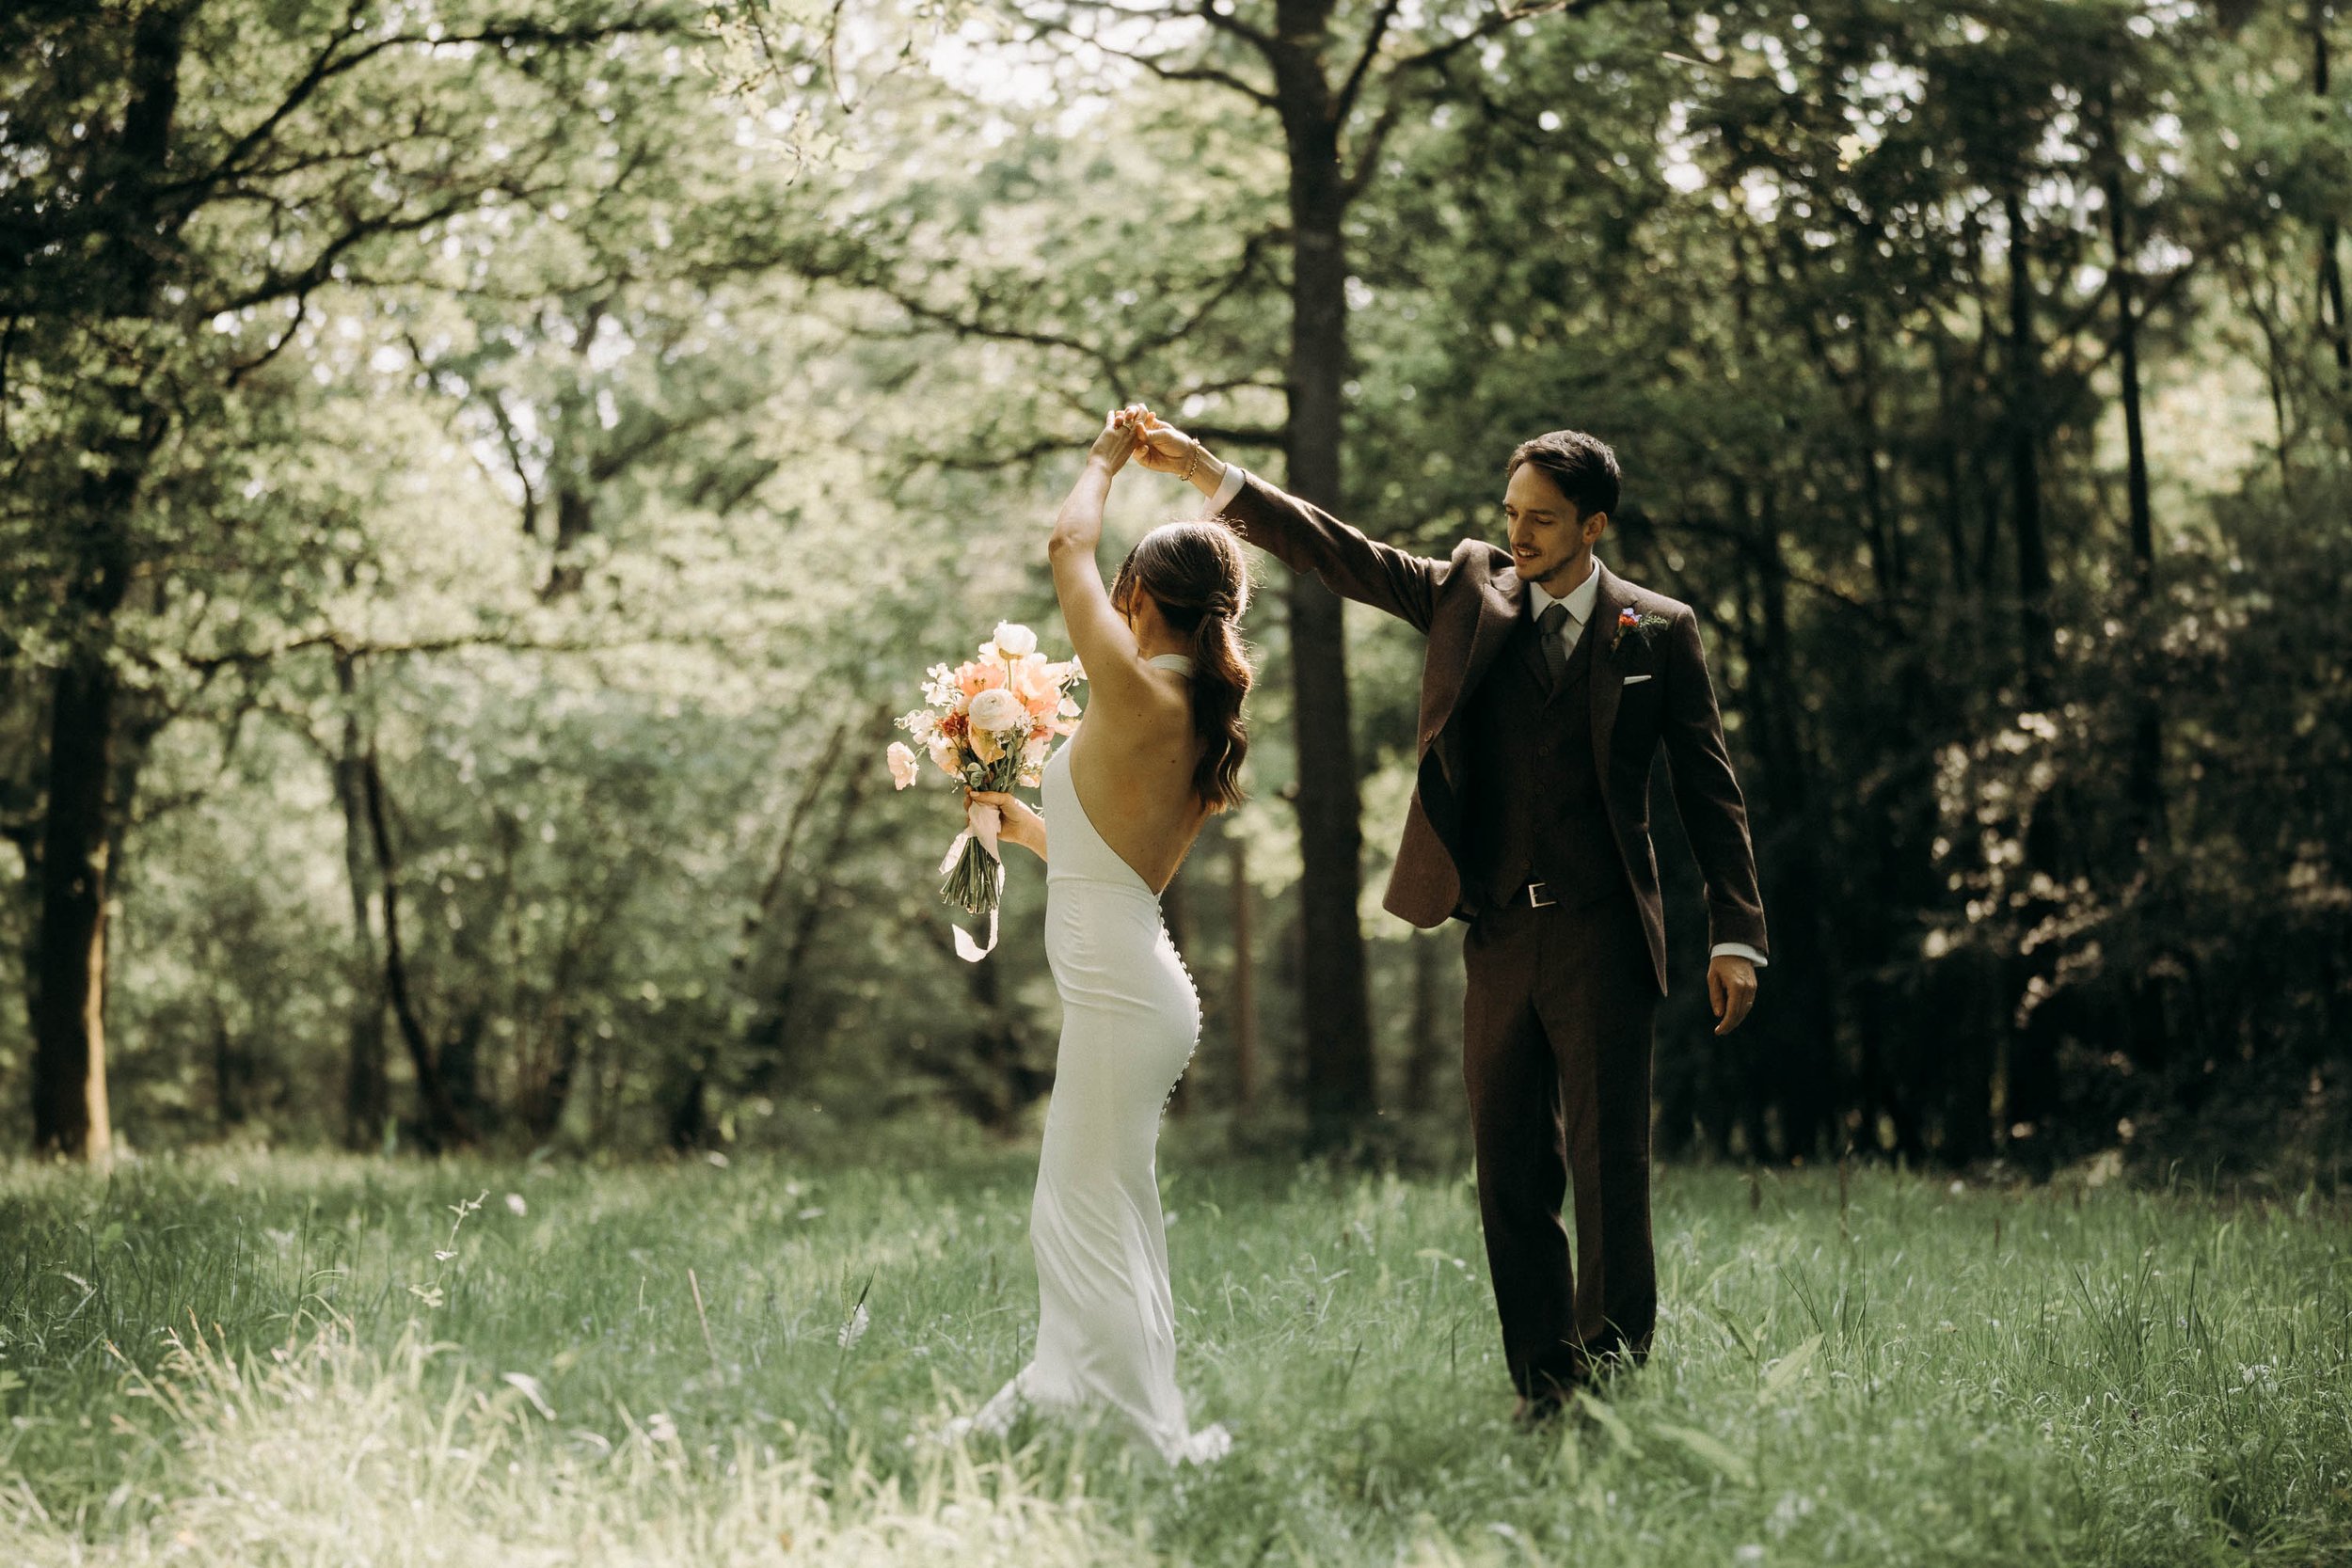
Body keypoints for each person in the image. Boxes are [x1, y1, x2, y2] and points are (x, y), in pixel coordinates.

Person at [1126, 407, 1769, 1422]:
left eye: (1545, 520)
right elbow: (1344, 553)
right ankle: (1543, 1385)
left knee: (1609, 1173)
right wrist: (1214, 474)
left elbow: (1709, 790)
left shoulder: (1659, 630)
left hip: (1603, 935)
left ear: (1594, 525)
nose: (1520, 535)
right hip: (1499, 934)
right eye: (1512, 513)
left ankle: (1610, 1388)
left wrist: (1735, 933)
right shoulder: (1471, 590)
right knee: (1509, 1170)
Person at [951, 407, 1248, 1465]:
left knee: (1078, 1214)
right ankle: (1056, 1408)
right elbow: (1099, 860)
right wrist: (1009, 816)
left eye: (1116, 594)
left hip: (1125, 992)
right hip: (1131, 979)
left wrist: (1107, 457)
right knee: (1104, 1207)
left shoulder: (1131, 688)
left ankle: (1136, 1444)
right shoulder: (1191, 714)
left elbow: (1062, 541)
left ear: (1133, 599)